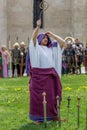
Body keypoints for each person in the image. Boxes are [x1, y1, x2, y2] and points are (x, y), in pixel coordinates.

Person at [27, 19, 66, 124]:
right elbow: (33, 39)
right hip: (38, 76)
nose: (45, 39)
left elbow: (63, 43)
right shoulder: (36, 48)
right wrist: (38, 27)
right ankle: (37, 118)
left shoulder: (51, 48)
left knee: (52, 97)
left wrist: (52, 35)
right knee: (38, 98)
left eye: (46, 38)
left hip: (50, 76)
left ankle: (53, 116)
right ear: (39, 39)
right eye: (43, 37)